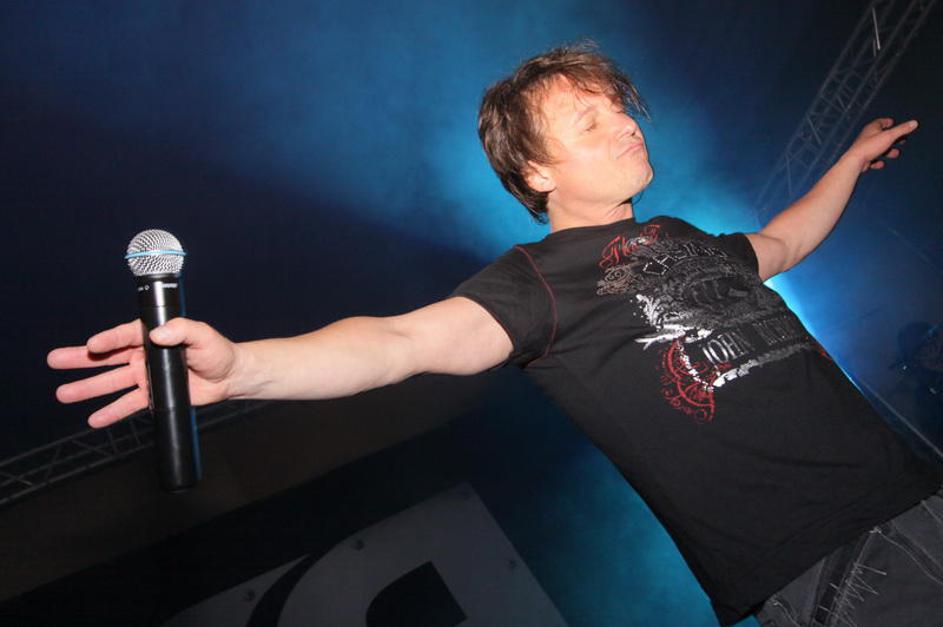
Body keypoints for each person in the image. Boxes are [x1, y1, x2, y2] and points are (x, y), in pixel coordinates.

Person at [47, 44, 943, 626]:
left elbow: (783, 240)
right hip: (837, 567)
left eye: (620, 107)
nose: (624, 123)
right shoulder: (534, 282)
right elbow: (399, 343)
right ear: (536, 171)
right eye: (590, 119)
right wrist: (244, 366)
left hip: (920, 492)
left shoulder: (683, 235)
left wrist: (848, 161)